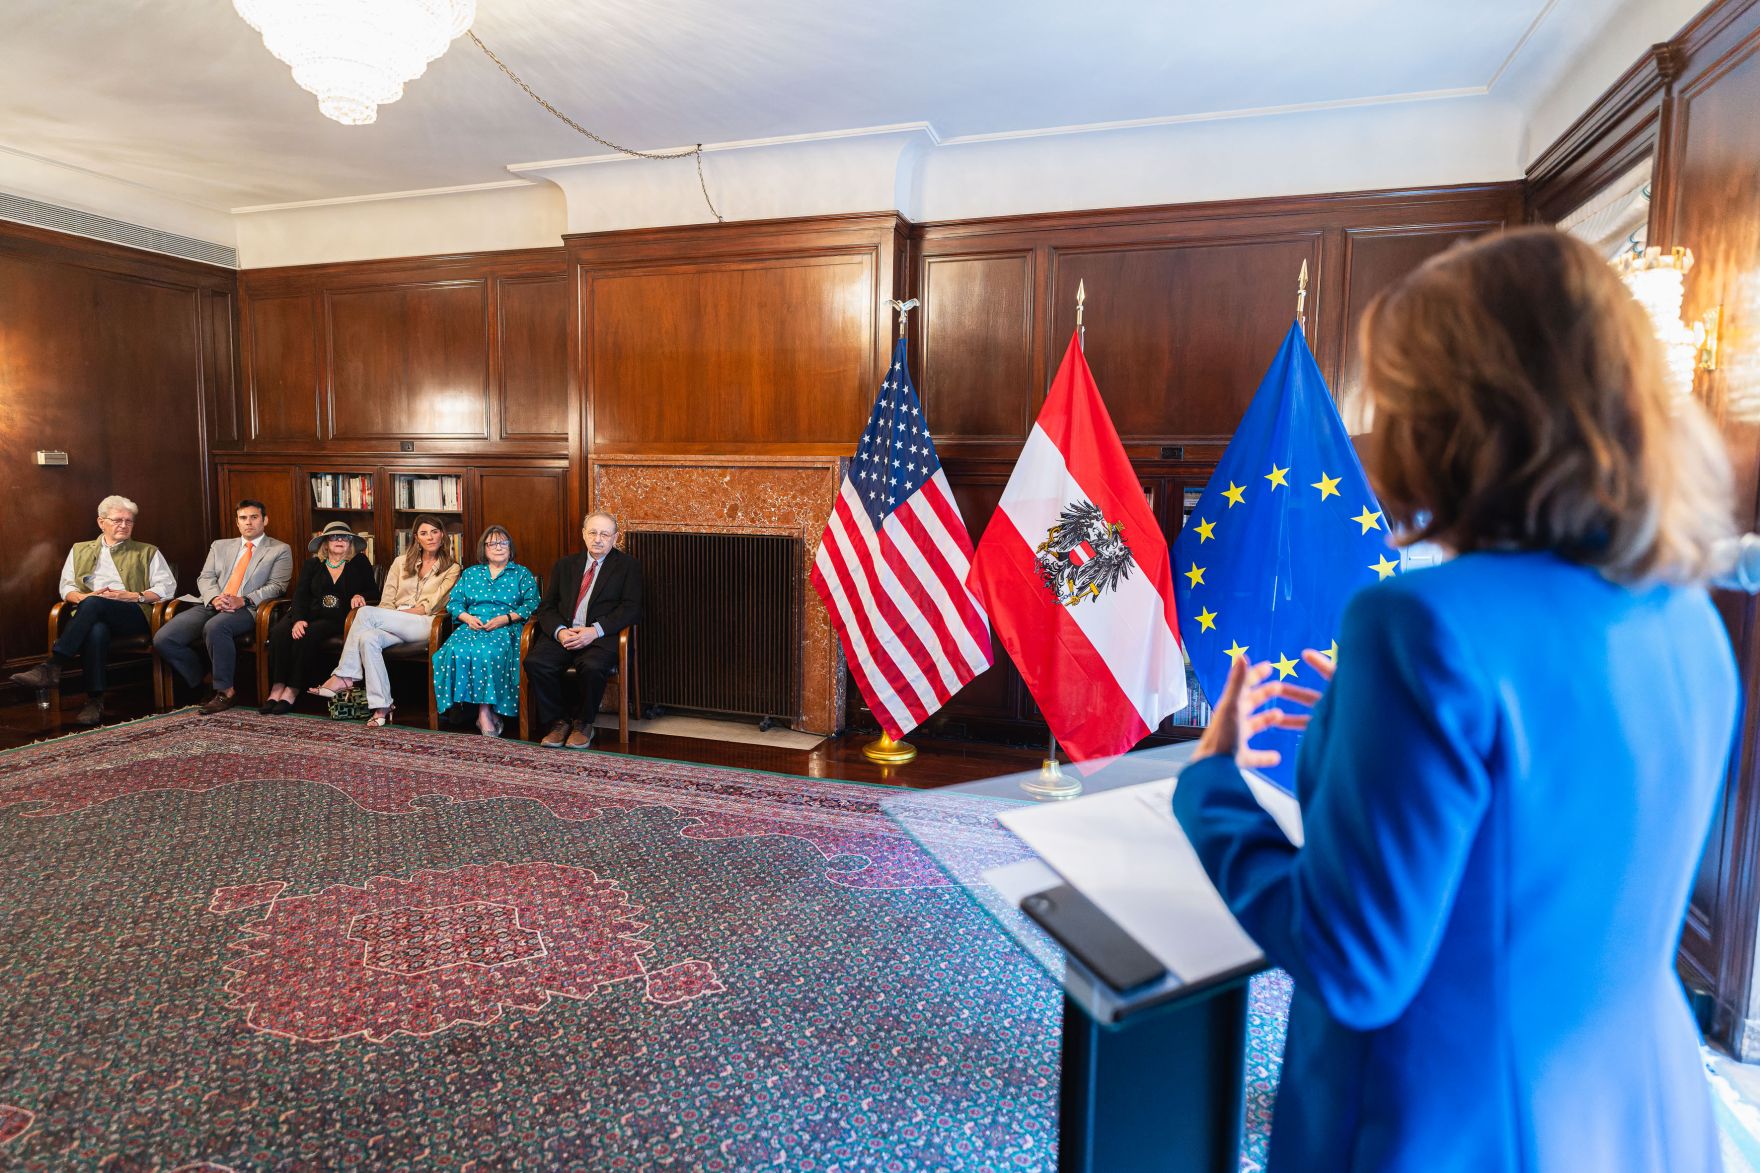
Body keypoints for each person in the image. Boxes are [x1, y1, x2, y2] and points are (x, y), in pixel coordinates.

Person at [1171, 227, 1737, 1172]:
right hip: (1638, 1114)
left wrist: (1213, 788)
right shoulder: (1689, 618)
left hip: (1452, 1128)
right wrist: (1359, 740)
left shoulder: (1419, 625)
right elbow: (1530, 854)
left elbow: (1351, 961)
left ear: (1461, 416)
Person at [10, 494, 177, 725]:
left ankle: (53, 666)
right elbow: (66, 586)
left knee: (94, 605)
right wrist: (82, 597)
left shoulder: (147, 551)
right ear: (101, 522)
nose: (124, 525)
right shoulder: (79, 550)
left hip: (133, 614)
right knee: (96, 629)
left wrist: (133, 595)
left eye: (129, 521)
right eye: (118, 520)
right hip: (91, 614)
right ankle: (95, 701)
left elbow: (167, 587)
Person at [309, 515, 459, 728]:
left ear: (442, 535)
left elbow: (433, 605)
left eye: (434, 532)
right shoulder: (400, 563)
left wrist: (395, 616)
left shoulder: (452, 568)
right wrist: (389, 617)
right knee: (368, 638)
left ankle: (345, 675)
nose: (430, 537)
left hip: (425, 624)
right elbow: (387, 601)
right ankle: (382, 706)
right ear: (416, 538)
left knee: (364, 613)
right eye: (424, 533)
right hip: (392, 619)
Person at [152, 499, 293, 714]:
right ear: (237, 523)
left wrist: (243, 600)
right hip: (212, 603)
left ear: (265, 520)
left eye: (254, 517)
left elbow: (277, 587)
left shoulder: (279, 549)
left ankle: (225, 691)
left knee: (216, 627)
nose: (248, 523)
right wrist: (215, 597)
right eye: (243, 518)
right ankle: (202, 679)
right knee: (164, 638)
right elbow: (205, 577)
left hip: (249, 609)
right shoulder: (220, 546)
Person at [525, 512, 642, 749]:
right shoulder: (565, 565)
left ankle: (584, 723)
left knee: (592, 666)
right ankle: (558, 722)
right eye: (593, 532)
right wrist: (559, 631)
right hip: (564, 634)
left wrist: (594, 631)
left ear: (615, 538)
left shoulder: (628, 567)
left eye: (605, 534)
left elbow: (632, 609)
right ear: (584, 534)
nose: (598, 539)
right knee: (536, 662)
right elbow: (546, 607)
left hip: (600, 637)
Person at [432, 525, 541, 737]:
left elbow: (533, 604)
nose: (498, 547)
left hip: (506, 627)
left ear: (510, 547)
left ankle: (484, 713)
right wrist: (466, 618)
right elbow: (454, 603)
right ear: (484, 548)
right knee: (454, 651)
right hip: (472, 625)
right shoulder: (471, 573)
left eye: (503, 543)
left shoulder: (521, 573)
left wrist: (506, 618)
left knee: (488, 652)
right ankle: (461, 711)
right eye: (493, 543)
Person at [259, 521, 376, 715]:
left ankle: (292, 689)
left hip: (336, 618)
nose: (340, 540)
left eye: (344, 537)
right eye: (334, 537)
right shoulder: (313, 564)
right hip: (306, 613)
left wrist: (360, 595)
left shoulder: (360, 563)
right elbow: (301, 594)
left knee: (307, 635)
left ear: (350, 543)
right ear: (326, 543)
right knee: (279, 633)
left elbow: (373, 591)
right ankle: (277, 687)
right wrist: (297, 619)